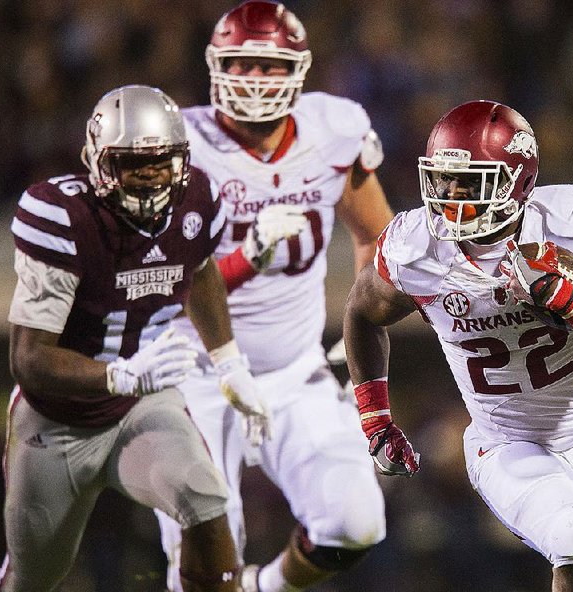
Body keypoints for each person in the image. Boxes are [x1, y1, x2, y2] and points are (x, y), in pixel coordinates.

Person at [343, 100, 573, 591]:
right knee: (572, 534)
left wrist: (565, 297)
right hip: (506, 442)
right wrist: (375, 417)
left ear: (515, 180)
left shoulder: (567, 221)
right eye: (442, 181)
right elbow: (362, 313)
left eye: (468, 182)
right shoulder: (416, 251)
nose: (450, 197)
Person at [0, 84, 270, 592]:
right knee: (32, 580)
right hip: (59, 420)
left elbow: (199, 271)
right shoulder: (61, 217)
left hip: (143, 405)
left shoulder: (197, 199)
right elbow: (28, 359)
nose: (152, 176)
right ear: (98, 162)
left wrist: (229, 364)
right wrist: (118, 374)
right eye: (134, 164)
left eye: (162, 162)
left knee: (207, 505)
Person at [154, 2, 394, 592]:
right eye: (241, 65)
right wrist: (247, 257)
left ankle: (269, 588)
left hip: (295, 369)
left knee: (355, 522)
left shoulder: (333, 130)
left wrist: (359, 330)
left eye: (268, 66)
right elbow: (167, 280)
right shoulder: (179, 143)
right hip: (192, 370)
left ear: (298, 69)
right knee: (206, 559)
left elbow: (376, 238)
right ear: (215, 66)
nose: (255, 80)